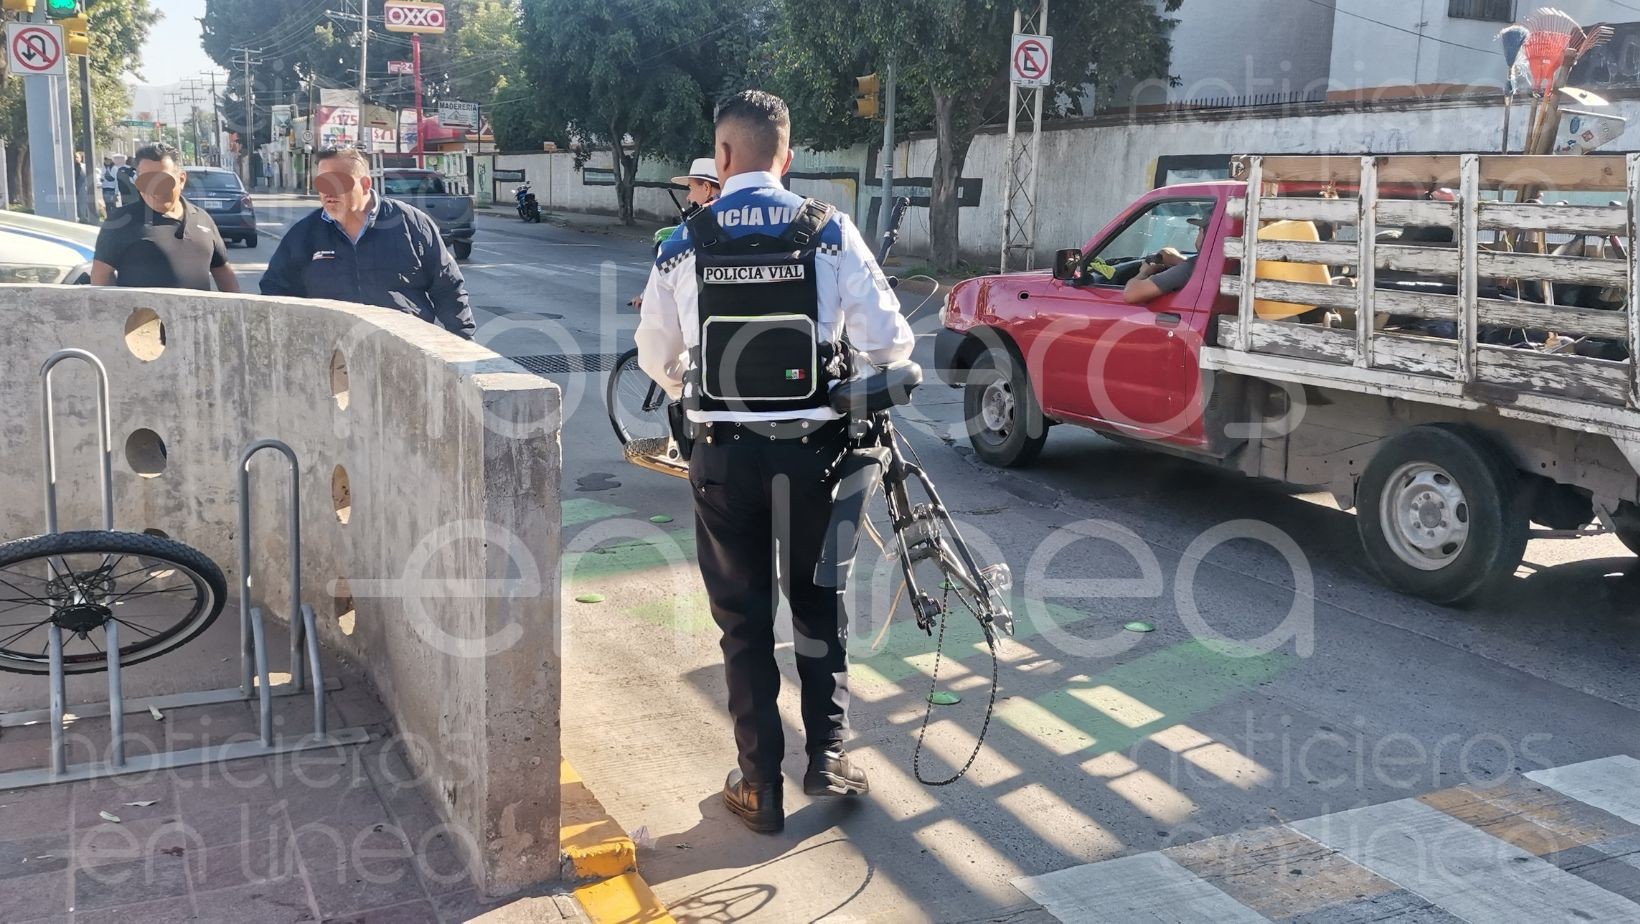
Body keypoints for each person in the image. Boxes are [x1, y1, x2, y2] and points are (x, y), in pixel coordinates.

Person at [636, 90, 914, 835]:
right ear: (787, 157)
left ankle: (759, 785)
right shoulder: (830, 230)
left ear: (722, 156)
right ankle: (829, 757)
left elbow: (656, 355)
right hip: (817, 458)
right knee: (818, 604)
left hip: (723, 462)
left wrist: (699, 393)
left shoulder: (683, 241)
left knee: (744, 619)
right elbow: (891, 344)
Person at [260, 146, 475, 339]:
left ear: (365, 184)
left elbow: (448, 288)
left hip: (405, 351)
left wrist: (462, 344)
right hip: (333, 355)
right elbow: (276, 292)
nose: (328, 192)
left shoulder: (411, 224)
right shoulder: (304, 234)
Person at [90, 142, 240, 292]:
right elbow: (100, 278)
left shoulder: (202, 219)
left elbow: (224, 274)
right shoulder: (121, 221)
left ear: (181, 179)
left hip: (198, 308)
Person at [1123, 215, 1207, 305]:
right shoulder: (1209, 265)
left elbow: (1130, 294)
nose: (1198, 236)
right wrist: (1180, 261)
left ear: (1205, 233)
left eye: (1199, 230)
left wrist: (1144, 272)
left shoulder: (1194, 267)